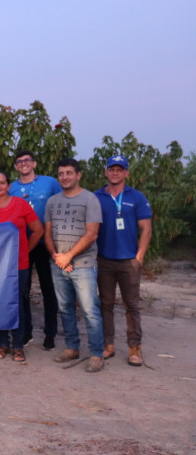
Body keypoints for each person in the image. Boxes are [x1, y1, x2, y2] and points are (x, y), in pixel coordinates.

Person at [0, 171, 43, 363]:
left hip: (18, 264)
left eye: (2, 183)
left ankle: (18, 345)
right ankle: (3, 342)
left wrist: (25, 250)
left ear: (8, 185)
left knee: (17, 303)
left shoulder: (20, 204)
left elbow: (38, 230)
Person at [44, 158, 105, 373]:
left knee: (90, 310)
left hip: (83, 264)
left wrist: (68, 256)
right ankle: (72, 347)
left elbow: (92, 233)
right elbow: (48, 233)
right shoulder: (52, 201)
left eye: (69, 173)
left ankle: (97, 353)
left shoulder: (90, 199)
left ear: (78, 175)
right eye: (61, 174)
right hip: (58, 263)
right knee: (65, 309)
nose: (65, 177)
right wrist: (56, 256)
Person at [94, 155, 152, 367]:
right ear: (106, 172)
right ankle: (108, 344)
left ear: (126, 172)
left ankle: (134, 347)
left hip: (129, 261)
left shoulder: (136, 197)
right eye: (112, 169)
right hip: (104, 260)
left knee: (132, 305)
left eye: (120, 169)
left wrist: (139, 256)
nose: (115, 173)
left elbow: (146, 228)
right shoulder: (96, 197)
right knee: (105, 304)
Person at [9, 150, 62, 350]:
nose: (23, 164)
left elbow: (60, 205)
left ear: (34, 163)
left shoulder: (49, 183)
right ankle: (26, 331)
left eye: (27, 160)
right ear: (15, 166)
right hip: (21, 245)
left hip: (46, 243)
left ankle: (50, 333)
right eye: (19, 162)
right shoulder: (12, 188)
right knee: (23, 290)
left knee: (49, 289)